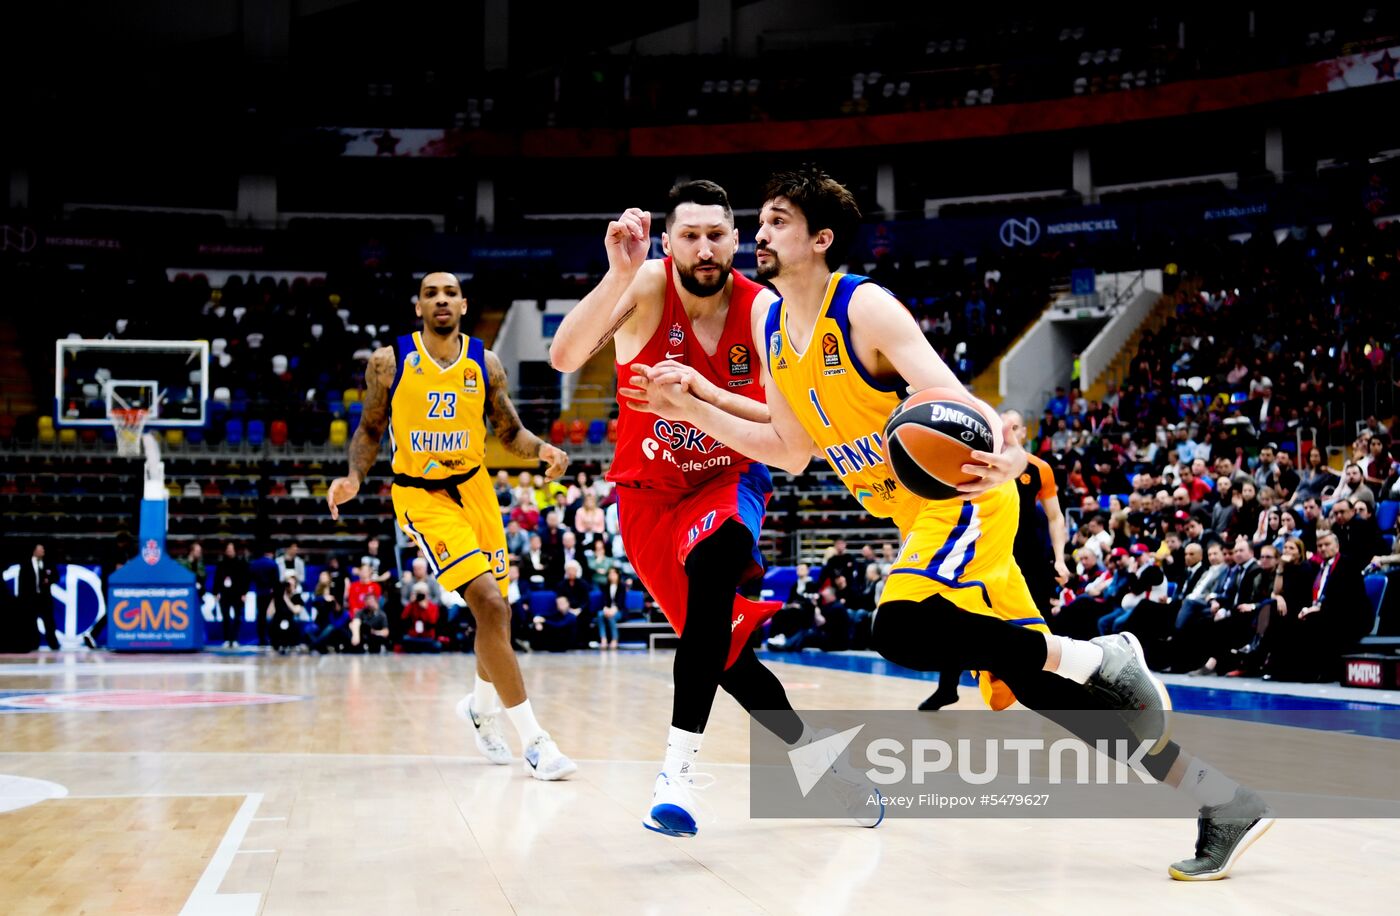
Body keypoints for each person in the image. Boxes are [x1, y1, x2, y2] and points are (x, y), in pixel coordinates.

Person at [625, 165, 1271, 878]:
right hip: (919, 519)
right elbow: (791, 448)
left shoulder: (863, 308)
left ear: (821, 239)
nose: (761, 235)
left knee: (899, 627)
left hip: (963, 501)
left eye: (778, 221)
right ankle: (1221, 799)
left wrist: (1006, 452)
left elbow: (957, 398)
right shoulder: (773, 327)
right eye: (763, 221)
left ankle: (1101, 658)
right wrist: (695, 405)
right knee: (1038, 687)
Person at [552, 181, 877, 837]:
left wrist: (698, 400)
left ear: (736, 240)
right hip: (647, 497)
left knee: (717, 560)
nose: (704, 248)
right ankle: (822, 766)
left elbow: (791, 444)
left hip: (728, 478)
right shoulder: (644, 286)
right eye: (690, 236)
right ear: (668, 243)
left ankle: (675, 776)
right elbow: (564, 356)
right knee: (726, 656)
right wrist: (616, 274)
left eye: (716, 235)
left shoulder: (763, 312)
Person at [328, 270, 577, 780]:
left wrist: (543, 450)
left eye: (450, 293)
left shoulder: (485, 362)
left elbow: (509, 431)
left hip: (476, 489)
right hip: (423, 495)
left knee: (497, 613)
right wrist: (353, 476)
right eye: (430, 294)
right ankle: (535, 741)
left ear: (464, 305)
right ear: (417, 306)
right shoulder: (390, 361)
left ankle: (480, 708)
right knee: (489, 602)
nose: (441, 300)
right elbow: (371, 428)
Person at [921, 409, 1068, 710]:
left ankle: (1050, 687)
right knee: (960, 616)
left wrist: (1060, 559)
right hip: (986, 550)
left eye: (1015, 426)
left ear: (1024, 432)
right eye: (1003, 425)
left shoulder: (1039, 468)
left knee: (1038, 620)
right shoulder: (979, 464)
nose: (1008, 431)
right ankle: (947, 687)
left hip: (1029, 555)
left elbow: (1055, 517)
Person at [18, 543, 58, 651]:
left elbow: (56, 576)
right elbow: (22, 582)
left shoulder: (48, 563)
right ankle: (33, 644)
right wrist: (22, 599)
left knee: (49, 622)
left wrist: (48, 580)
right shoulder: (26, 564)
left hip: (45, 598)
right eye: (41, 549)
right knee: (31, 622)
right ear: (34, 551)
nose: (43, 551)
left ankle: (53, 644)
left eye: (43, 549)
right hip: (31, 598)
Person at [213, 541, 250, 648]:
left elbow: (246, 579)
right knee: (226, 617)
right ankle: (226, 639)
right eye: (228, 549)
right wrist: (216, 592)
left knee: (237, 617)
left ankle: (235, 639)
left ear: (235, 550)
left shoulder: (241, 563)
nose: (229, 551)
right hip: (225, 594)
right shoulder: (221, 564)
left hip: (237, 594)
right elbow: (217, 579)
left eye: (231, 549)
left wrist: (244, 593)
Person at [598, 566, 628, 649]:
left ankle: (614, 639)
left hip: (619, 610)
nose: (612, 575)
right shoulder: (605, 586)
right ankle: (603, 639)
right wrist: (605, 608)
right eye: (610, 573)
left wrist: (613, 610)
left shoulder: (622, 586)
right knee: (600, 615)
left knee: (611, 616)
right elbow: (604, 600)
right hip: (608, 609)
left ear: (618, 575)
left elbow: (621, 602)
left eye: (614, 573)